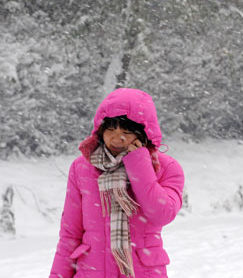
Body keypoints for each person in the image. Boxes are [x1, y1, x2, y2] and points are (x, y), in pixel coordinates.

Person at [49, 88, 185, 278]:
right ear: (101, 130)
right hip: (91, 271)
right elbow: (70, 235)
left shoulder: (165, 167)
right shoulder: (83, 168)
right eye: (111, 129)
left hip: (142, 272)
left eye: (126, 131)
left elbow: (161, 214)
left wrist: (139, 164)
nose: (117, 137)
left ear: (143, 132)